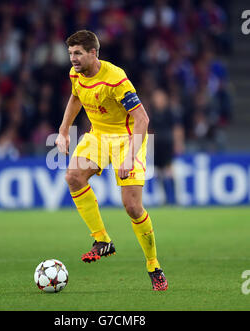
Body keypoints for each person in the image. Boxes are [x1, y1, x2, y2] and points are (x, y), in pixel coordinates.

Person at [55, 30, 168, 291]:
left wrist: (130, 156)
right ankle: (102, 240)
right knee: (73, 176)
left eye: (78, 53)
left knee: (132, 207)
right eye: (70, 53)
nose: (72, 58)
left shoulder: (116, 79)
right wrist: (62, 131)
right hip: (97, 135)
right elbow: (75, 98)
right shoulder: (76, 74)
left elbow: (142, 120)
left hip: (127, 139)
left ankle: (153, 265)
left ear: (93, 53)